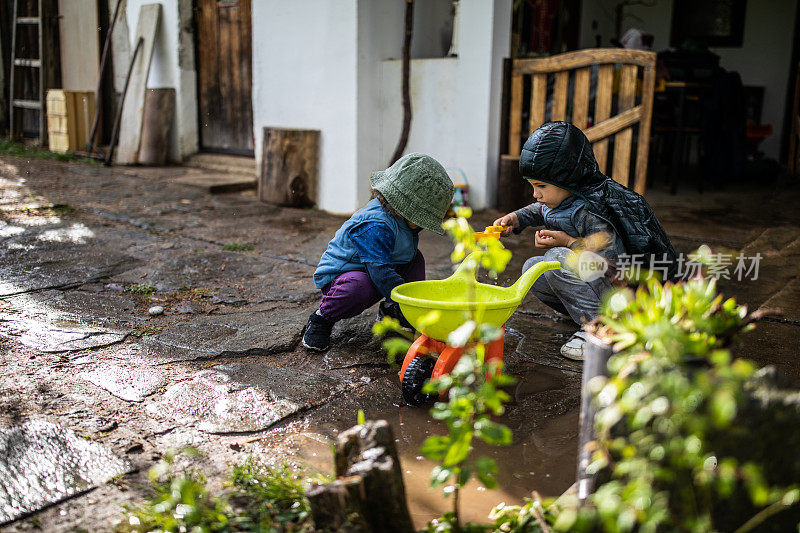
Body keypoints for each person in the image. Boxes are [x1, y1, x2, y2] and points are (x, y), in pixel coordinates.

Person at [494, 121, 677, 361]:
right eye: (532, 186)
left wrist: (569, 242)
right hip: (598, 282)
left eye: (541, 186)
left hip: (622, 289)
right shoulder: (561, 198)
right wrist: (515, 219)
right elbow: (540, 210)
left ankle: (601, 328)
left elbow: (613, 261)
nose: (535, 194)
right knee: (532, 269)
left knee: (556, 260)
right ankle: (583, 313)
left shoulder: (591, 211)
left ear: (568, 181)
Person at [303, 153, 454, 351]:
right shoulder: (376, 225)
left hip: (378, 269)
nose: (422, 226)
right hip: (344, 280)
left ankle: (392, 311)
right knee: (359, 287)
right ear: (404, 209)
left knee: (415, 259)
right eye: (422, 219)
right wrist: (408, 301)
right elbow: (379, 271)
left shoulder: (401, 221)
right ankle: (322, 318)